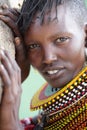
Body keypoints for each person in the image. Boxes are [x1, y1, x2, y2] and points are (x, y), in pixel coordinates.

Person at [0, 0, 87, 129]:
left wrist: (10, 123)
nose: (48, 58)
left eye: (61, 39)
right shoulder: (56, 110)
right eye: (33, 46)